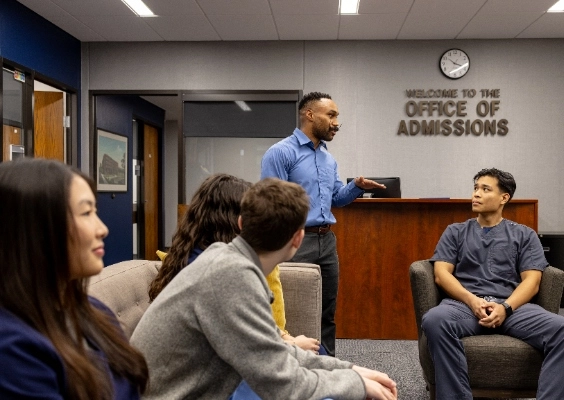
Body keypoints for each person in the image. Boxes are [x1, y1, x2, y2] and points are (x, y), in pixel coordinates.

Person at [131, 178, 398, 400]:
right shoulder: (230, 276)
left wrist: (350, 369)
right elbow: (280, 383)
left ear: (241, 224)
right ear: (298, 238)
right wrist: (356, 384)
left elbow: (277, 351)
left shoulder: (229, 260)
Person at [0, 158, 148, 399]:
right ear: (36, 231)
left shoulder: (92, 312)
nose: (102, 229)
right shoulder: (11, 348)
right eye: (86, 213)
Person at [421, 167, 564, 400]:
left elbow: (533, 281)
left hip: (513, 308)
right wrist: (472, 300)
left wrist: (506, 308)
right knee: (434, 320)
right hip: (464, 306)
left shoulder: (524, 235)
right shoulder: (455, 231)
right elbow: (441, 274)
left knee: (562, 328)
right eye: (475, 188)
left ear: (504, 198)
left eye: (485, 189)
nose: (476, 194)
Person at [260, 91, 385, 356]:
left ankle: (327, 366)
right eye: (331, 115)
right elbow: (271, 202)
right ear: (309, 115)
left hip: (326, 241)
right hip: (295, 241)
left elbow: (336, 199)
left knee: (326, 310)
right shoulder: (280, 153)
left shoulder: (328, 158)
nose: (336, 122)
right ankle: (293, 368)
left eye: (336, 116)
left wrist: (356, 187)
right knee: (293, 307)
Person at [149, 173, 321, 353]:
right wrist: (293, 345)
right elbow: (246, 347)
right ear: (237, 221)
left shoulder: (193, 254)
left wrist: (286, 339)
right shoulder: (216, 273)